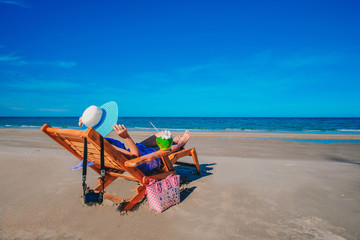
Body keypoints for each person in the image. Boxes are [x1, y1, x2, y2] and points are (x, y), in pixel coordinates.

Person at [78, 101, 191, 173]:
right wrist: (126, 137)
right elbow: (136, 157)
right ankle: (180, 144)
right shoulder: (103, 145)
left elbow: (84, 133)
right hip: (141, 163)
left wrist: (85, 122)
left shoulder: (90, 141)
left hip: (129, 154)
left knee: (161, 134)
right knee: (164, 147)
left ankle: (173, 142)